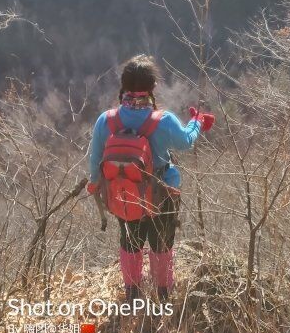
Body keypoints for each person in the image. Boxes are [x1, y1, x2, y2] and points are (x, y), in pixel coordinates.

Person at [87, 54, 214, 302]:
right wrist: (197, 121)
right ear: (152, 87)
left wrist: (94, 185)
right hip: (163, 191)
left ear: (123, 85)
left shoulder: (107, 120)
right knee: (161, 244)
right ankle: (163, 293)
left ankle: (133, 292)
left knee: (130, 242)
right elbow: (186, 142)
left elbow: (95, 160)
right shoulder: (163, 120)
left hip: (124, 192)